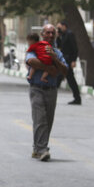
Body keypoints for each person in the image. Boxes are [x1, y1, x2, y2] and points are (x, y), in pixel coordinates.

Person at [25, 24, 68, 161]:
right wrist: (50, 68)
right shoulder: (36, 48)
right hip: (36, 88)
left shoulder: (57, 53)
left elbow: (65, 70)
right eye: (47, 33)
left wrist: (54, 58)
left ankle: (37, 148)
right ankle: (42, 149)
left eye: (52, 33)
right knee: (40, 119)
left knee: (48, 121)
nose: (50, 35)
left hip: (51, 90)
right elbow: (30, 60)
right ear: (42, 34)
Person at [56, 21, 81, 105]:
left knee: (67, 79)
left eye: (59, 28)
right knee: (68, 79)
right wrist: (58, 37)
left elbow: (75, 48)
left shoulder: (69, 34)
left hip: (68, 60)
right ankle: (77, 98)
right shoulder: (63, 35)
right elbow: (59, 46)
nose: (58, 30)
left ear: (64, 26)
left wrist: (74, 60)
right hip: (63, 60)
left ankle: (77, 98)